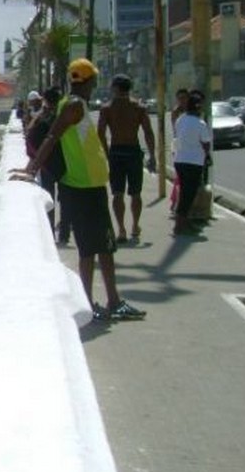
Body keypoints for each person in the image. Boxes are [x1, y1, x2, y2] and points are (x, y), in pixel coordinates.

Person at [12, 58, 146, 322]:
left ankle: (102, 302)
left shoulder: (73, 104)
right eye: (94, 81)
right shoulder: (74, 105)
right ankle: (102, 303)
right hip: (83, 187)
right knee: (97, 248)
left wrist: (32, 168)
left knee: (99, 248)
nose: (95, 85)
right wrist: (31, 169)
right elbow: (52, 136)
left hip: (87, 185)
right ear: (87, 81)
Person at [98, 74, 157, 244]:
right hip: (133, 151)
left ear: (115, 88)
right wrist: (152, 155)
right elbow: (148, 132)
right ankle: (135, 226)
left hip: (116, 152)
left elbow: (100, 133)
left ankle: (122, 229)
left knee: (117, 193)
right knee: (135, 193)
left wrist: (106, 153)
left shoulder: (107, 108)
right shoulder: (138, 107)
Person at [24, 86, 69, 240]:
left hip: (47, 163)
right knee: (65, 200)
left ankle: (49, 231)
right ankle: (64, 233)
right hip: (64, 161)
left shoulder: (43, 117)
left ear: (45, 100)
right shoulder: (65, 116)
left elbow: (31, 137)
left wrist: (31, 167)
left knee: (49, 199)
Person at [172, 91, 211, 236]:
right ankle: (180, 224)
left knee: (184, 193)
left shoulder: (181, 119)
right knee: (189, 194)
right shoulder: (200, 123)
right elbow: (206, 143)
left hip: (180, 160)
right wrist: (206, 155)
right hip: (193, 162)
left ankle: (183, 221)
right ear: (198, 108)